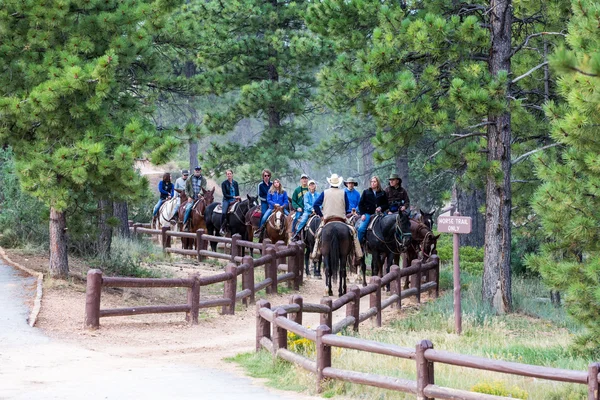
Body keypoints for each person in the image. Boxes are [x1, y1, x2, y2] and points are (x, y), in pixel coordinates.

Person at [311, 174, 363, 262]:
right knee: (354, 232)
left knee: (318, 233)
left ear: (330, 182)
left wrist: (321, 215)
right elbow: (346, 207)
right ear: (338, 183)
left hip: (328, 219)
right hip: (341, 218)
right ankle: (358, 253)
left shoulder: (325, 192)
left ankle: (316, 253)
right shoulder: (343, 192)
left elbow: (315, 205)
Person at [357, 176, 389, 243]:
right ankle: (358, 246)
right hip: (368, 214)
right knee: (361, 229)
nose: (373, 183)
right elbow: (360, 204)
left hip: (380, 214)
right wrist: (362, 214)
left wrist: (381, 207)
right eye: (372, 181)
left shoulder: (382, 193)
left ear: (378, 183)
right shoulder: (366, 192)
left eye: (374, 181)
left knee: (389, 226)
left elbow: (386, 204)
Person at [219, 169, 241, 235]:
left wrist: (238, 198)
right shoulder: (224, 183)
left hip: (235, 200)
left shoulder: (235, 183)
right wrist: (233, 197)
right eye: (227, 174)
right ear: (226, 175)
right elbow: (225, 194)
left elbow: (237, 192)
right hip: (227, 200)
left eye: (230, 174)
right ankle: (222, 227)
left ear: (232, 174)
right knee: (224, 212)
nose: (229, 175)